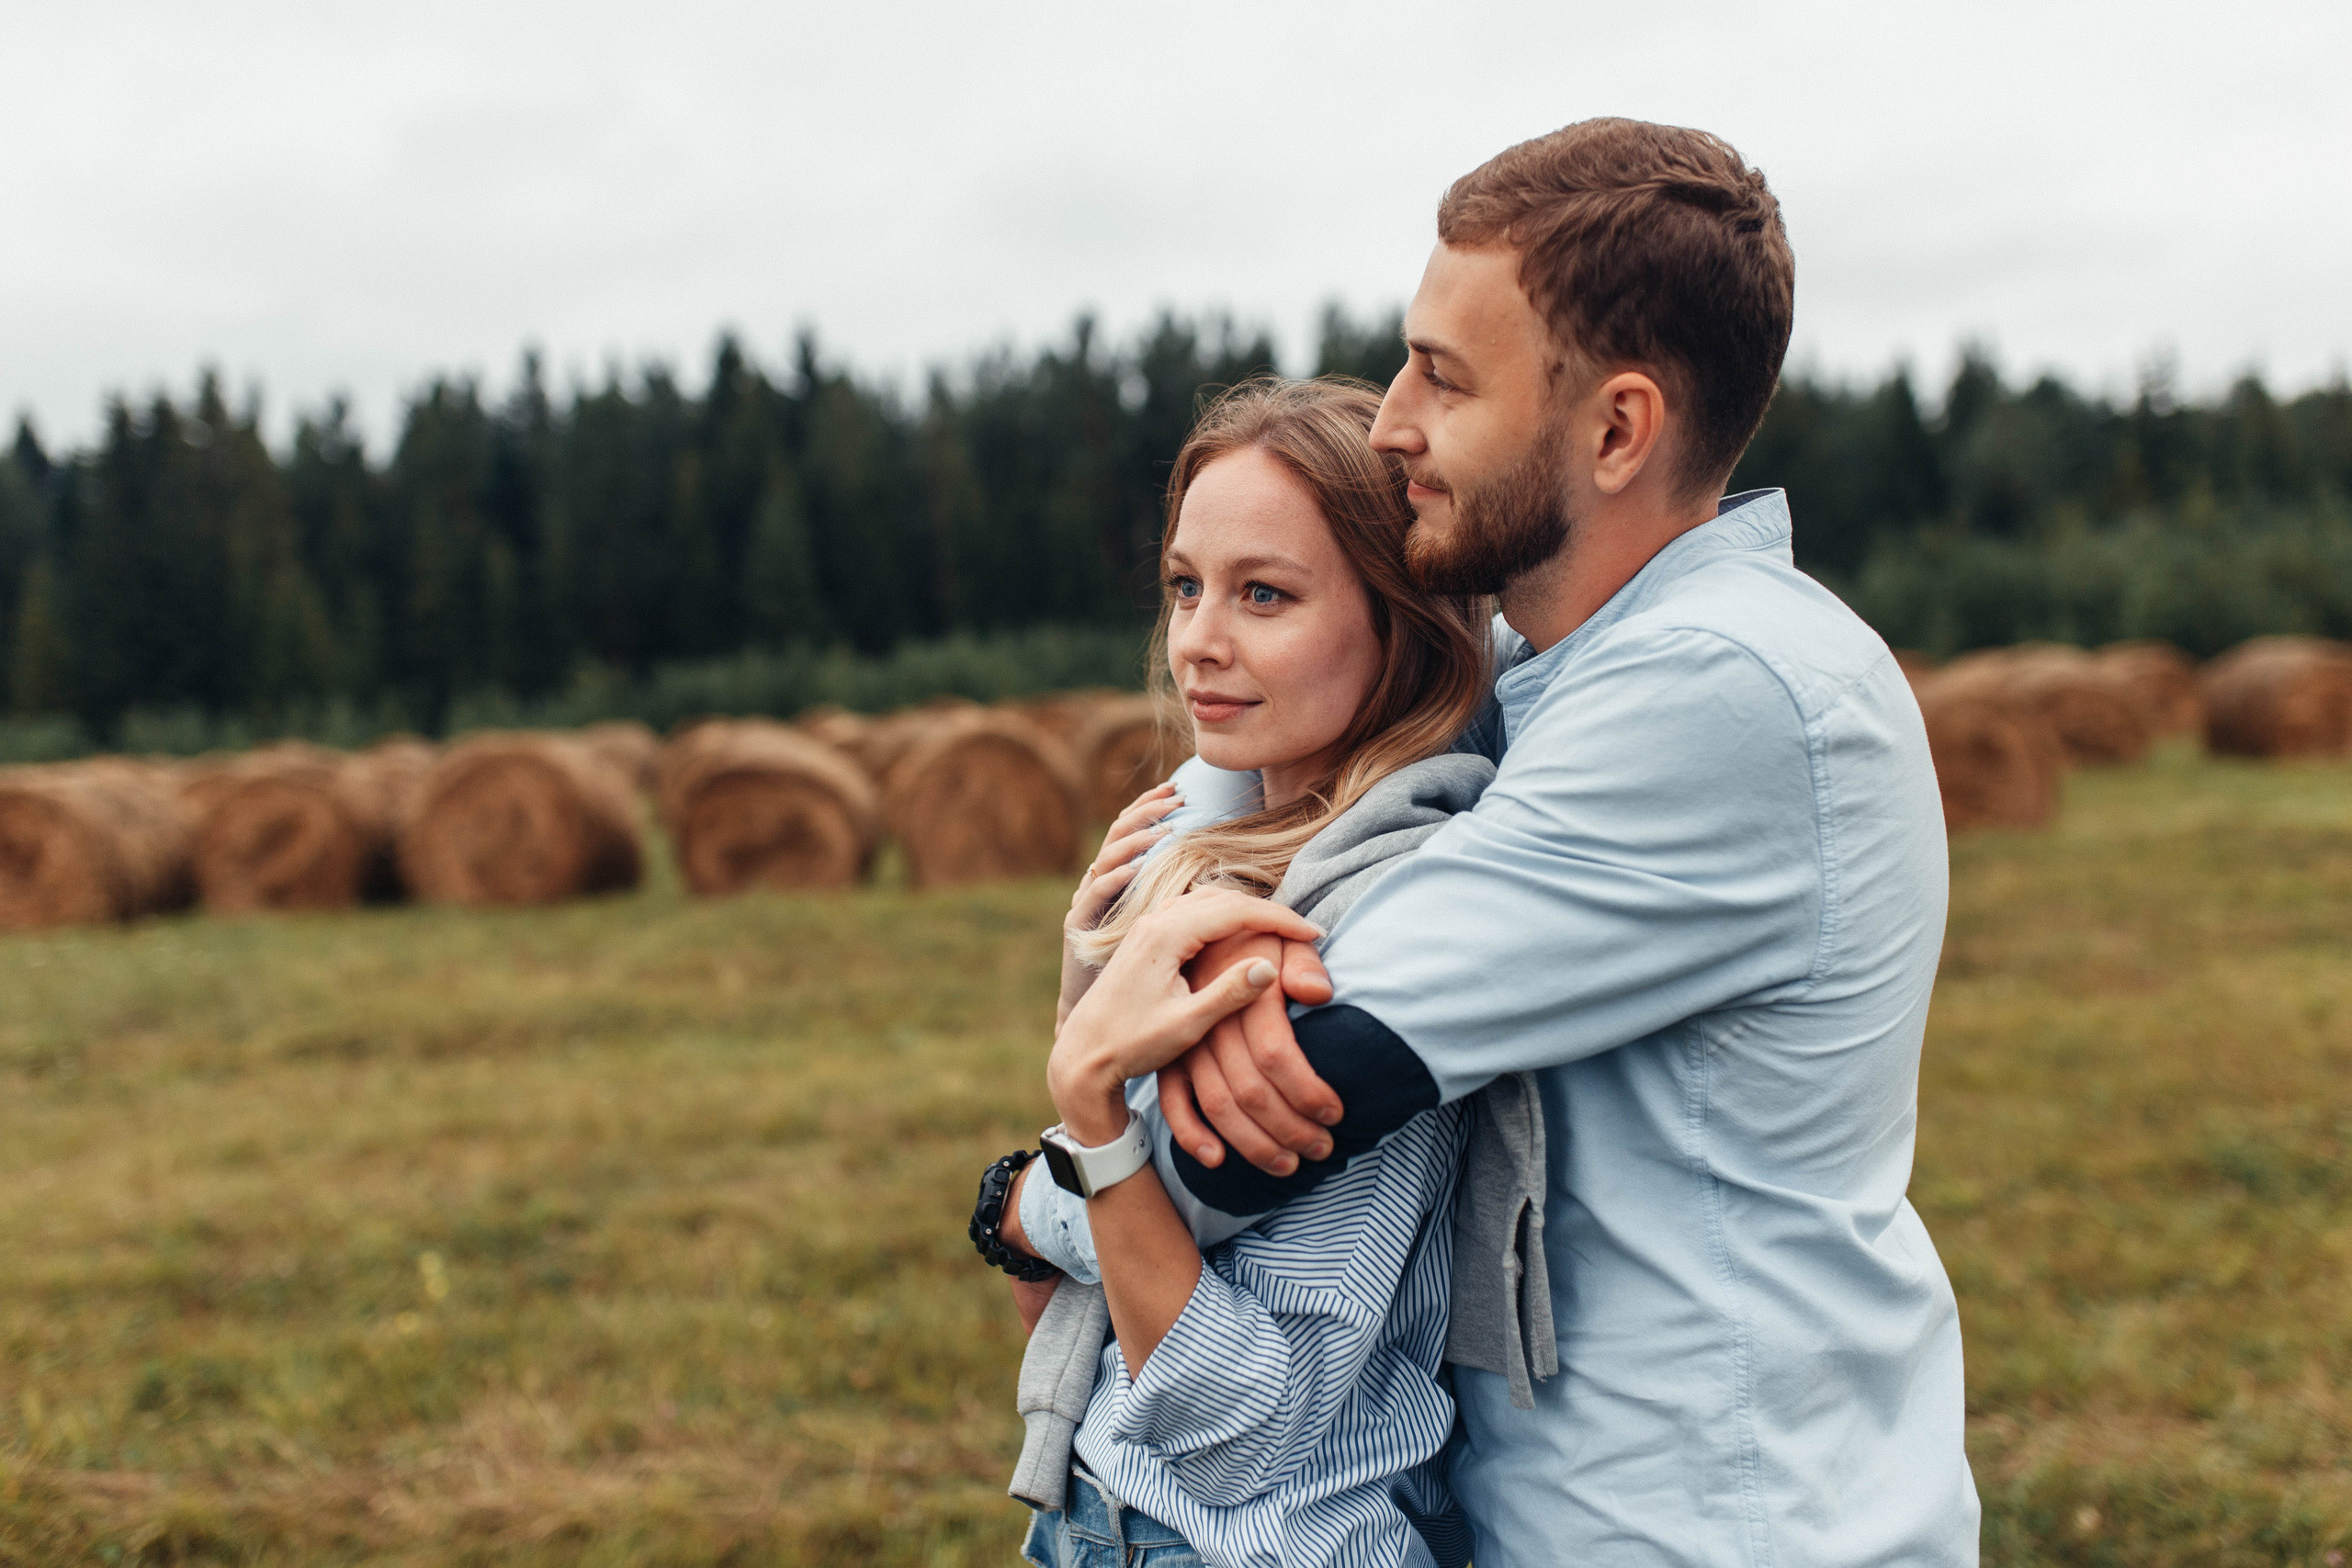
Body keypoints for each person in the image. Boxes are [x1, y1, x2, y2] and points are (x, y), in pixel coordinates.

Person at [1045, 118, 1983, 1565]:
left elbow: (1257, 1120)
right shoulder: (1556, 675)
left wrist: (1031, 1187)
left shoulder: (1718, 686)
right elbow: (1292, 783)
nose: (1389, 425)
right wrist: (1198, 846)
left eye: (1446, 377)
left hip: (1716, 1523)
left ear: (1616, 431)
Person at [964, 376, 1507, 1567]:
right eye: (1184, 586)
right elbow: (1072, 1297)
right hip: (1110, 1521)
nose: (1199, 640)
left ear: (1401, 620)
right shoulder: (1219, 869)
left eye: (1265, 594)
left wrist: (1085, 1125)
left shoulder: (1362, 940)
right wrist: (1091, 978)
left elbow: (1244, 1432)